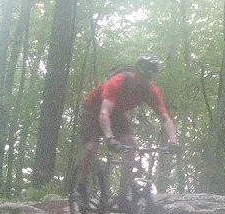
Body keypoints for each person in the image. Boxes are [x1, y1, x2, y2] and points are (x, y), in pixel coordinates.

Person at [75, 55, 179, 205]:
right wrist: (110, 138)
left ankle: (123, 194)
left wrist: (173, 141)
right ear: (136, 72)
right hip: (93, 110)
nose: (145, 81)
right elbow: (104, 113)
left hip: (117, 114)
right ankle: (81, 188)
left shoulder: (151, 90)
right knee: (91, 146)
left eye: (150, 78)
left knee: (132, 148)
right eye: (144, 76)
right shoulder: (117, 82)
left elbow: (166, 119)